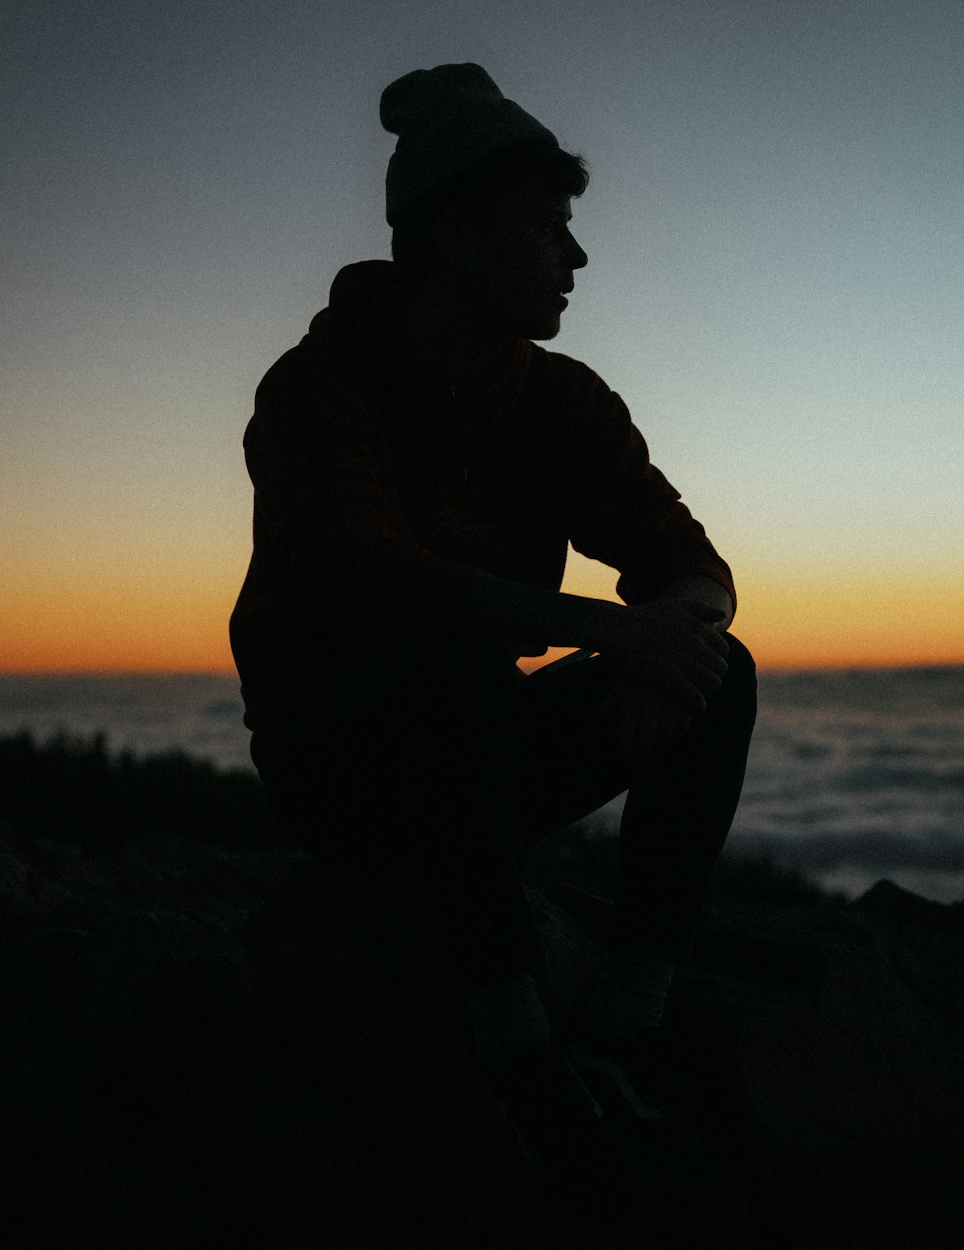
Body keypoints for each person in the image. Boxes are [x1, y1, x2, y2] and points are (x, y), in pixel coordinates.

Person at [230, 62, 757, 1166]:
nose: (575, 257)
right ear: (459, 238)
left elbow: (690, 562)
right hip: (341, 765)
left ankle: (628, 1010)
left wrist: (677, 638)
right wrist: (617, 632)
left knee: (724, 670)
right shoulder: (316, 387)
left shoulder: (563, 401)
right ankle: (511, 1039)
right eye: (546, 226)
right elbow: (369, 578)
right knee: (455, 662)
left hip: (472, 758)